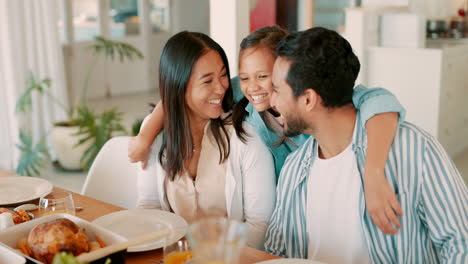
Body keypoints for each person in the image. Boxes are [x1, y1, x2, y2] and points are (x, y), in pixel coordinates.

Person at [129, 26, 407, 235]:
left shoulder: (313, 103)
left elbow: (377, 100)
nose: (252, 86)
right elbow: (181, 93)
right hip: (289, 220)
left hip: (329, 203)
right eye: (245, 77)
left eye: (265, 77)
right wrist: (147, 134)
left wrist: (373, 172)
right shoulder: (245, 95)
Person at [264, 27, 468, 263]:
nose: (272, 100)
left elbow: (461, 243)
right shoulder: (294, 170)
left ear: (308, 99)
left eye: (277, 90)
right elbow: (277, 253)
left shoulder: (414, 150)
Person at [136, 31, 276, 249]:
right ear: (179, 86)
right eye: (208, 80)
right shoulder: (155, 132)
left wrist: (206, 255)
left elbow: (260, 225)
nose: (221, 88)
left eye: (223, 75)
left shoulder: (244, 138)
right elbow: (149, 205)